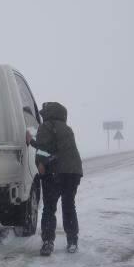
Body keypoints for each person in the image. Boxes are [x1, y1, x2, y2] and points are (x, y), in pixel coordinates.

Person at [26, 102, 83, 256]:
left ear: (49, 114)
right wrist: (33, 142)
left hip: (55, 172)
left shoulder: (46, 126)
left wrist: (40, 163)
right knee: (69, 206)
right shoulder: (66, 128)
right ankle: (72, 242)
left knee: (49, 208)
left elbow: (44, 149)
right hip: (73, 172)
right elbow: (57, 148)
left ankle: (48, 242)